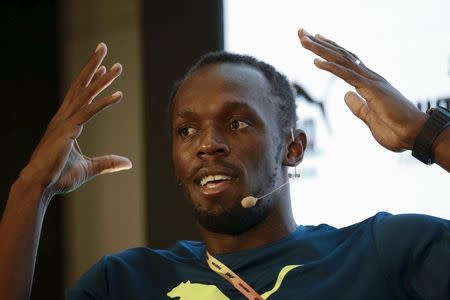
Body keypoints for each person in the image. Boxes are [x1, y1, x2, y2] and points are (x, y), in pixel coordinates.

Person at [0, 28, 449, 300]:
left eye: (236, 123)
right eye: (187, 130)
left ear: (293, 148)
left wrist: (428, 135)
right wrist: (31, 188)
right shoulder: (127, 282)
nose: (207, 145)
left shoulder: (382, 252)